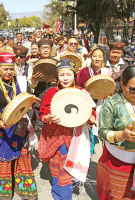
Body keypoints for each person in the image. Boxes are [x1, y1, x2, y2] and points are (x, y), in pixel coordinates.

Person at [38, 59, 96, 200]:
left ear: (74, 75)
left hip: (76, 137)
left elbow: (90, 110)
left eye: (69, 74)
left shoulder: (82, 92)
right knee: (60, 168)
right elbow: (41, 115)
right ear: (57, 76)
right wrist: (47, 118)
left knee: (73, 165)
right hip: (56, 137)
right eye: (62, 75)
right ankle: (61, 195)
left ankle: (69, 188)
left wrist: (91, 118)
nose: (65, 78)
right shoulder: (51, 92)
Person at [0, 52, 39, 200]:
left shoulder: (21, 82)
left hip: (20, 125)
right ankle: (6, 191)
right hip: (3, 129)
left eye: (11, 68)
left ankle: (24, 188)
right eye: (5, 69)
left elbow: (27, 98)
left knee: (23, 157)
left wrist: (31, 99)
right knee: (5, 158)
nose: (9, 72)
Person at [97, 66, 135, 199]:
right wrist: (122, 135)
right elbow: (102, 133)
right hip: (118, 163)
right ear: (122, 85)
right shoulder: (112, 104)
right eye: (133, 89)